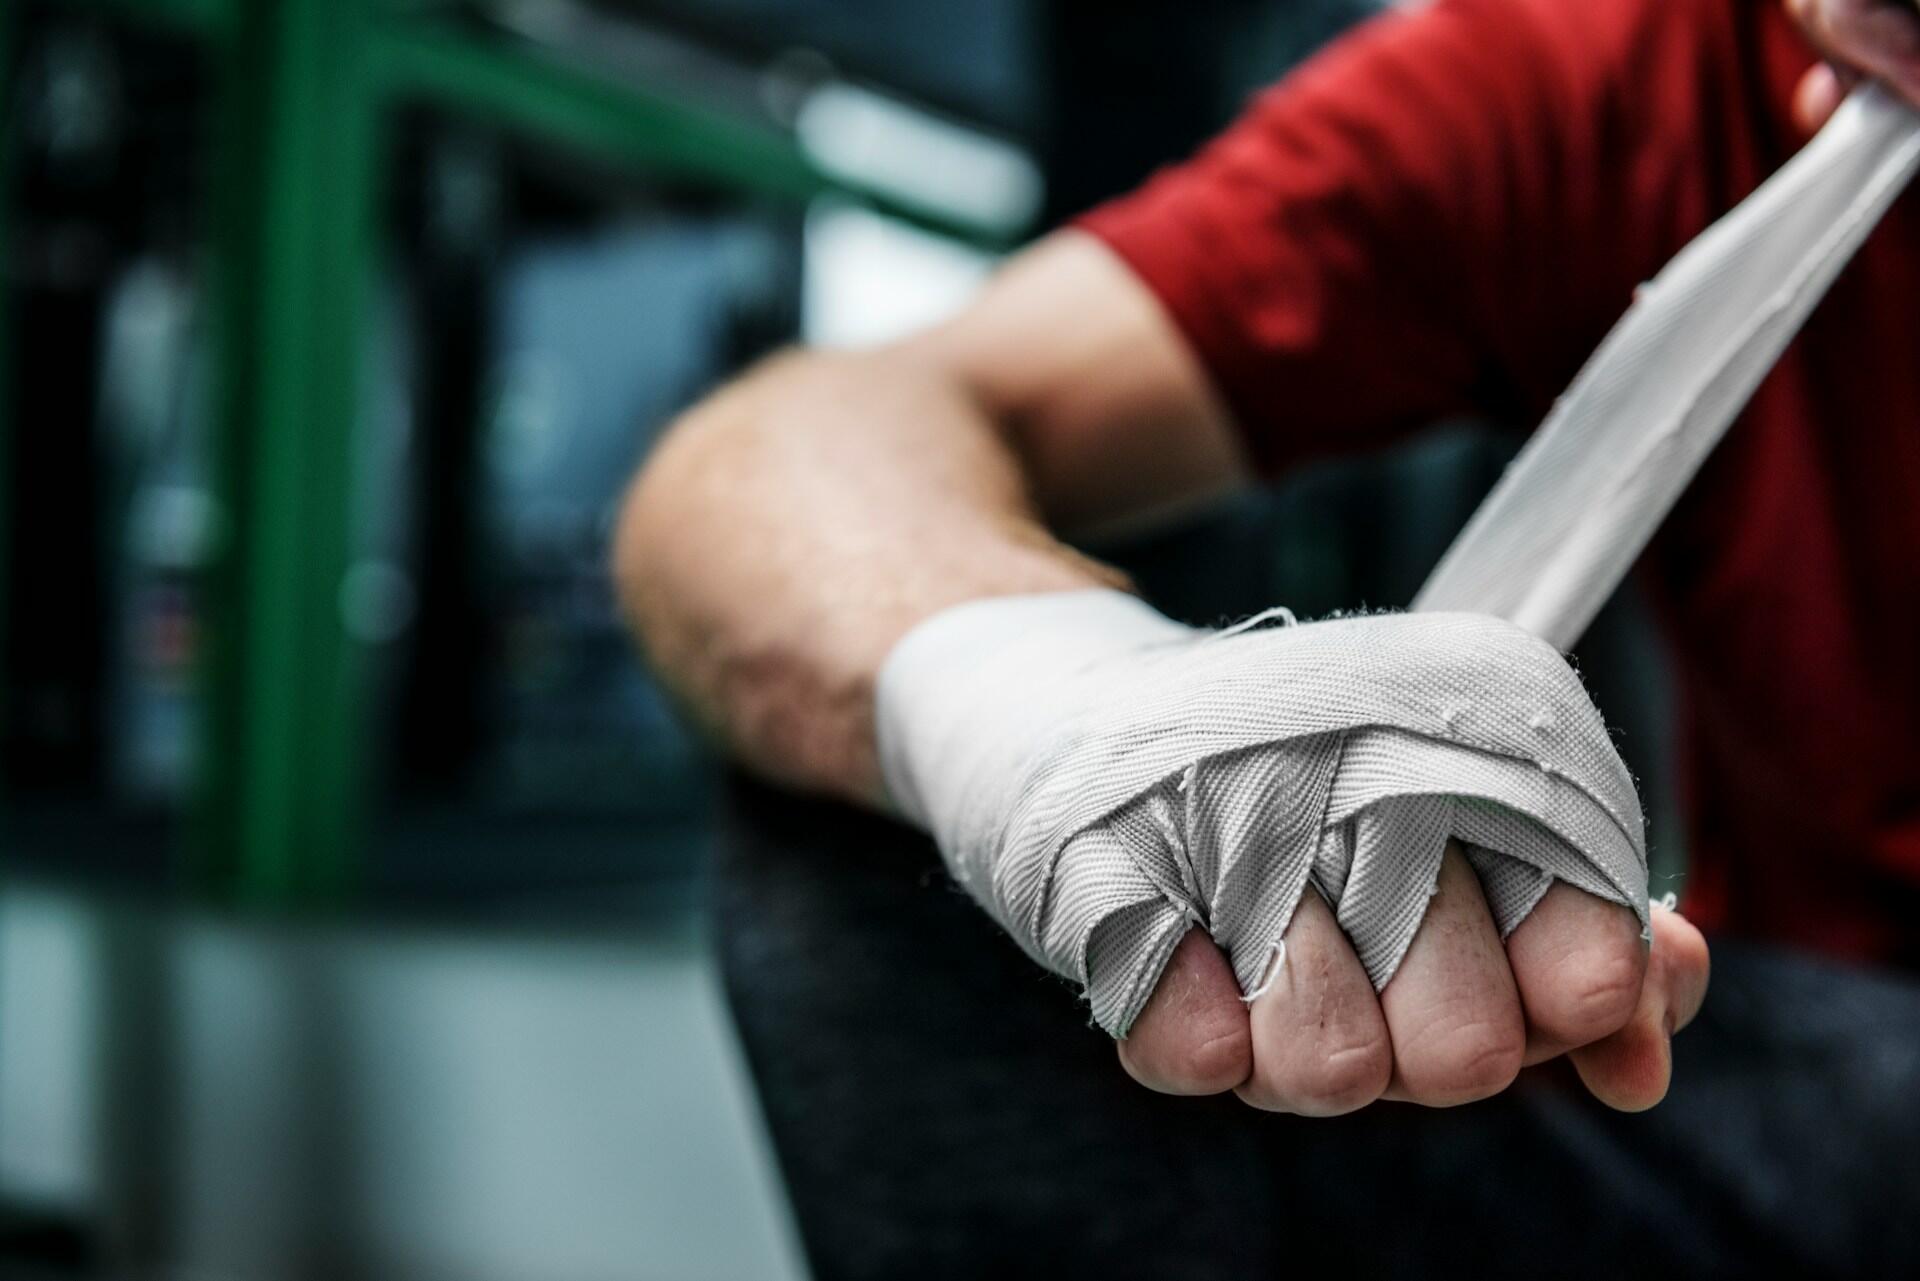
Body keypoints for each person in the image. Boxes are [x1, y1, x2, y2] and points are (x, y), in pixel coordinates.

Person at [615, 0, 1920, 1275]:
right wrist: (1064, 724)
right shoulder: (1631, 72)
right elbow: (777, 459)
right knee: (885, 832)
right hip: (1822, 1099)